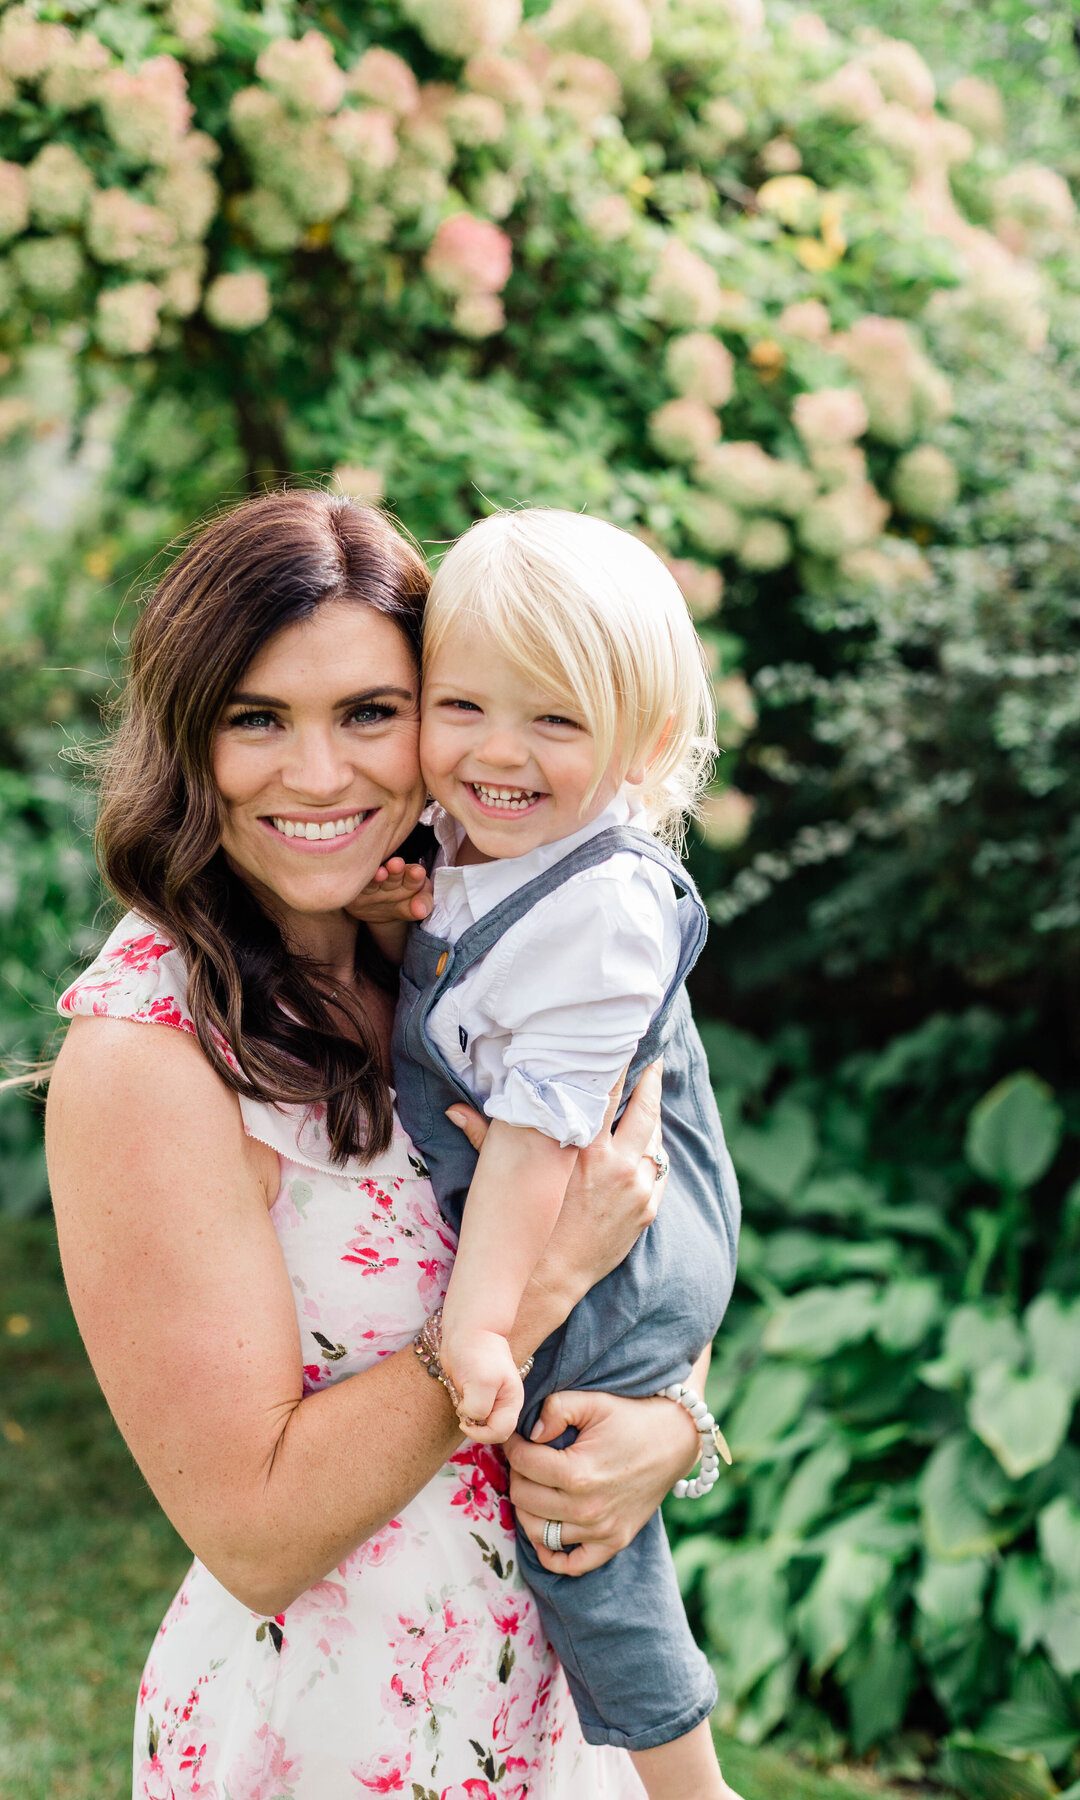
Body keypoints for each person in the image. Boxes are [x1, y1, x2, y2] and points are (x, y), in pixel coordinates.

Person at [45, 489, 721, 1799]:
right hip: (340, 1727)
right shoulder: (147, 1059)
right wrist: (530, 1297)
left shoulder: (474, 945)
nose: (321, 774)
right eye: (257, 720)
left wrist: (674, 1419)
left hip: (556, 1707)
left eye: (371, 711)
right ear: (190, 741)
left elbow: (656, 1199)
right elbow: (252, 1530)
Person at [363, 509, 741, 1799]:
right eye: (461, 703)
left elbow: (533, 1152)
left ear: (641, 750)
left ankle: (690, 1783)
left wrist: (481, 1332)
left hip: (607, 1235)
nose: (497, 752)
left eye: (557, 722)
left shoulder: (601, 914)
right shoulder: (501, 842)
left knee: (574, 1518)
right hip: (591, 1197)